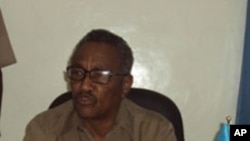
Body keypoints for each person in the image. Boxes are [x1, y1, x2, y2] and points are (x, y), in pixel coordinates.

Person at [23, 29, 177, 141]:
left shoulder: (153, 131)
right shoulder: (45, 128)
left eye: (98, 76)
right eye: (77, 73)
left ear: (125, 85)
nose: (84, 86)